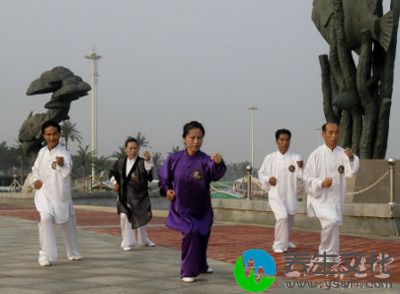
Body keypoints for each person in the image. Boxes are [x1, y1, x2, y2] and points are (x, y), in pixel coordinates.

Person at [158, 121, 226, 283]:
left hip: (202, 208)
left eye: (199, 138)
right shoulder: (174, 159)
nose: (196, 141)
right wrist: (167, 190)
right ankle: (188, 271)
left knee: (203, 235)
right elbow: (164, 179)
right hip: (181, 207)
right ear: (184, 138)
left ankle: (201, 264)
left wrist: (218, 163)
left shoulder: (205, 160)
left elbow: (215, 174)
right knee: (191, 232)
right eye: (192, 137)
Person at [303, 122, 359, 262]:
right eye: (330, 132)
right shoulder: (316, 155)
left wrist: (352, 158)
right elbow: (307, 178)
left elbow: (351, 171)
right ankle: (324, 252)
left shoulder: (343, 153)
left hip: (336, 198)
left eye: (336, 132)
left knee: (333, 225)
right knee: (331, 222)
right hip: (320, 198)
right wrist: (321, 183)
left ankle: (332, 255)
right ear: (323, 135)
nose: (334, 136)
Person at [30, 120, 81, 267]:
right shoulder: (42, 152)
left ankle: (73, 252)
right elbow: (35, 170)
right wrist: (36, 180)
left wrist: (61, 163)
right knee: (45, 219)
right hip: (44, 194)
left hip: (60, 195)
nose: (52, 137)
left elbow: (67, 167)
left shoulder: (64, 153)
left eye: (54, 134)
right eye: (48, 134)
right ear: (43, 135)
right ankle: (46, 255)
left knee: (66, 222)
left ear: (59, 135)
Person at [258, 129, 303, 253]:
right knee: (282, 217)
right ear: (276, 141)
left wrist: (300, 167)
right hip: (275, 194)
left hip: (290, 194)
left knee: (289, 219)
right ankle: (278, 244)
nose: (285, 143)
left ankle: (286, 240)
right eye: (282, 140)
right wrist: (268, 179)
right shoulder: (270, 158)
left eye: (287, 140)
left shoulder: (296, 157)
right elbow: (261, 173)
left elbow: (301, 176)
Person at [110, 137, 155, 251]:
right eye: (131, 148)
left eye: (135, 148)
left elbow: (148, 171)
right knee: (125, 217)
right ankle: (127, 242)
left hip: (139, 195)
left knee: (141, 217)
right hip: (124, 195)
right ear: (126, 149)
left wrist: (148, 159)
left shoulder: (142, 162)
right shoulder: (120, 162)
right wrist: (115, 183)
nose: (133, 150)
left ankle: (144, 240)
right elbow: (114, 176)